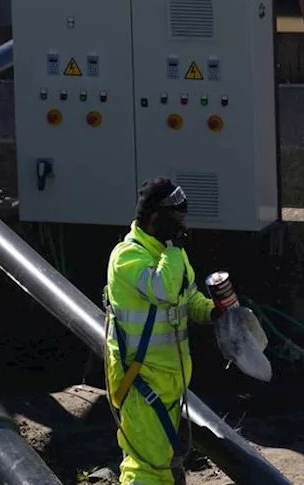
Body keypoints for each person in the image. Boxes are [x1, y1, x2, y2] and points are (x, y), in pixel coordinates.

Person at [103, 177, 223, 485]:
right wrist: (172, 249)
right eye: (176, 219)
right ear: (155, 218)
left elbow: (186, 295)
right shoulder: (127, 257)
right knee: (145, 468)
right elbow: (164, 291)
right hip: (141, 379)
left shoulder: (172, 253)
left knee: (162, 465)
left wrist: (213, 311)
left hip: (170, 378)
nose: (182, 225)